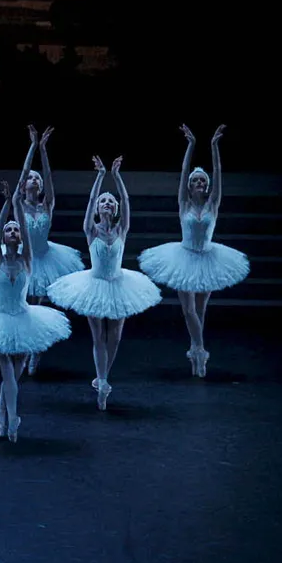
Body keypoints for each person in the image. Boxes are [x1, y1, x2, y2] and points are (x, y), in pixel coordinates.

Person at [0, 172, 72, 441]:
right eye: (10, 229)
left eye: (16, 229)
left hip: (24, 317)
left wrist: (17, 205)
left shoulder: (27, 259)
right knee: (7, 369)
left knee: (15, 368)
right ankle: (13, 418)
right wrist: (8, 204)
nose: (12, 232)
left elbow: (28, 236)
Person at [47, 156, 161, 410]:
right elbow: (89, 202)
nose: (107, 203)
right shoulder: (91, 229)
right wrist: (100, 176)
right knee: (98, 335)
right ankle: (103, 382)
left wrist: (117, 177)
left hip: (120, 283)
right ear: (98, 209)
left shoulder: (121, 229)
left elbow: (128, 201)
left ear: (116, 209)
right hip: (95, 284)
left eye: (111, 201)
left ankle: (102, 377)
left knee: (116, 336)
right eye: (103, 201)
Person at [0, 126, 84, 376]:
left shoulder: (47, 204)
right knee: (22, 303)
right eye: (30, 178)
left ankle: (33, 352)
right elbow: (21, 176)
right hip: (21, 258)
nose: (33, 180)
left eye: (36, 178)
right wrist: (32, 146)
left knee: (37, 307)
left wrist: (43, 150)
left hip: (45, 258)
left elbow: (49, 176)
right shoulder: (18, 205)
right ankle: (16, 347)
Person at [139, 125, 247, 377]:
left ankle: (195, 352)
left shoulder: (213, 204)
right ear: (189, 186)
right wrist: (190, 145)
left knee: (200, 310)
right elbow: (183, 171)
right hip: (184, 257)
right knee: (188, 309)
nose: (199, 182)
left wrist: (213, 147)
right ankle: (200, 350)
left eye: (203, 180)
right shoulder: (183, 203)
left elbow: (218, 173)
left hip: (209, 257)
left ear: (207, 186)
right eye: (195, 180)